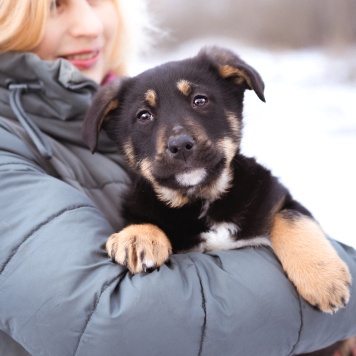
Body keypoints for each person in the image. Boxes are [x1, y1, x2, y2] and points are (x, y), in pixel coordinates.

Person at [0, 1, 355, 355]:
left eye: (200, 101)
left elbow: (286, 212)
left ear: (238, 89)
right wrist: (145, 232)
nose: (178, 138)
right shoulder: (17, 153)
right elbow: (113, 318)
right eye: (144, 116)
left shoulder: (260, 192)